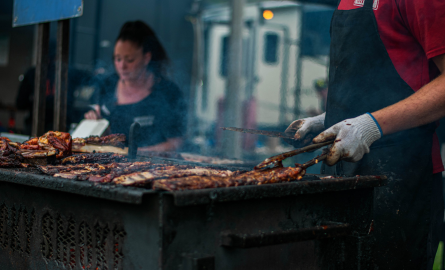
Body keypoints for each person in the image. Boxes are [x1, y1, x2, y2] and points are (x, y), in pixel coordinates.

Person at [285, 0, 445, 269]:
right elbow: (376, 84)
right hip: (339, 176)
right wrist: (332, 118)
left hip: (401, 179)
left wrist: (370, 125)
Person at [85, 21, 186, 152]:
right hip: (109, 168)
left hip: (156, 169)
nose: (122, 66)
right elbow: (100, 140)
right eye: (118, 59)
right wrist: (96, 125)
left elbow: (176, 143)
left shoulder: (168, 93)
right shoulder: (106, 86)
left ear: (146, 58)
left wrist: (135, 154)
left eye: (130, 60)